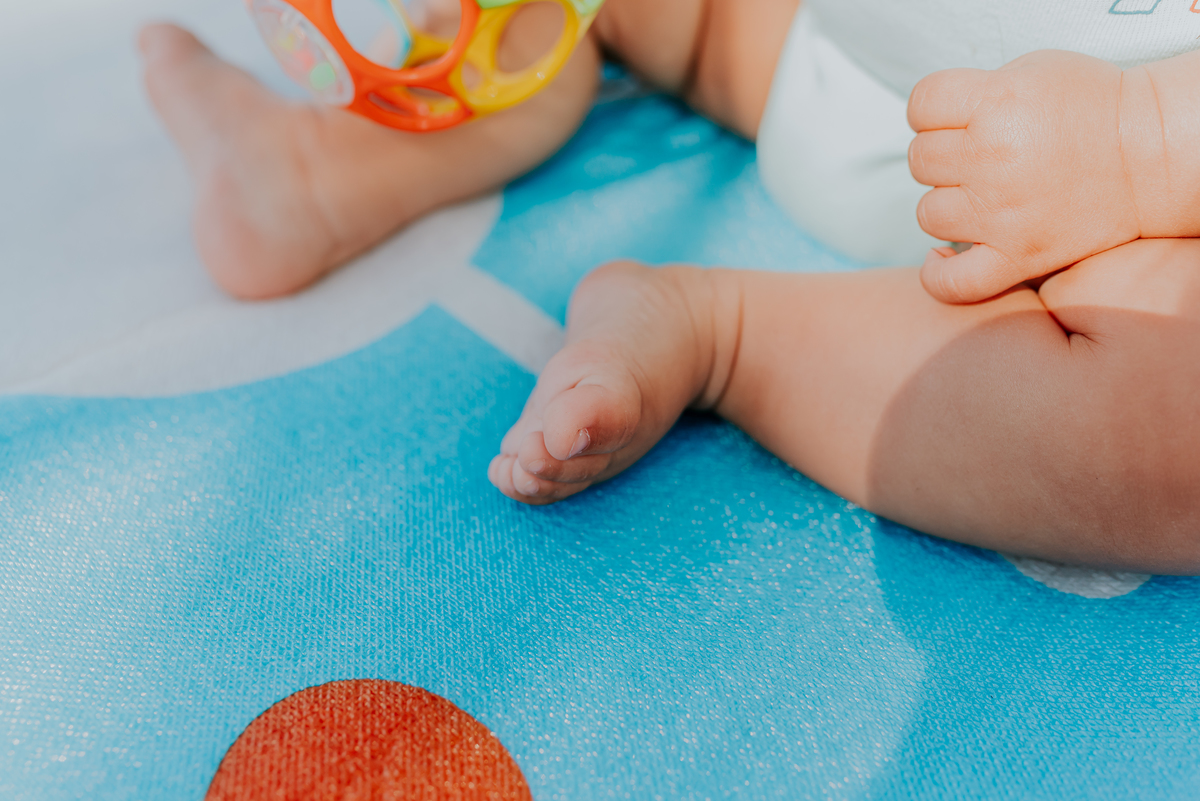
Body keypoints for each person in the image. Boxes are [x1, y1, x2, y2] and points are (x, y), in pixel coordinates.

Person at [138, 0, 1200, 574]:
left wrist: (1137, 147)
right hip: (824, 32)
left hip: (1107, 226)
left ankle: (725, 333)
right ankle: (333, 166)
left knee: (1176, 428)